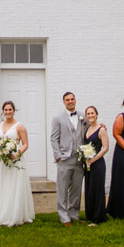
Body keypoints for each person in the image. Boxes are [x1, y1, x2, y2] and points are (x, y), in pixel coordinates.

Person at [0, 100, 34, 226]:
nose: (8, 112)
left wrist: (16, 154)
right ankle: (2, 213)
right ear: (3, 112)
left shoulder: (20, 126)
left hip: (15, 161)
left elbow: (25, 144)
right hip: (3, 162)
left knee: (14, 187)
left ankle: (14, 214)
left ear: (14, 111)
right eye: (6, 110)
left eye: (10, 109)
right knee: (3, 186)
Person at [49, 91, 86, 226]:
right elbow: (54, 138)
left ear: (75, 100)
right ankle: (64, 216)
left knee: (76, 188)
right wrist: (58, 156)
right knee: (63, 189)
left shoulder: (83, 116)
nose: (70, 102)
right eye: (67, 100)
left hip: (79, 158)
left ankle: (74, 214)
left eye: (72, 99)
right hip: (65, 158)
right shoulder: (58, 118)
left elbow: (90, 129)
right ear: (64, 102)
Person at [81, 105, 109, 225]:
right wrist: (87, 159)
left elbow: (105, 148)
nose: (90, 116)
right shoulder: (87, 128)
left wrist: (93, 160)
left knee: (97, 190)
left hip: (97, 164)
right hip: (88, 164)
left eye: (92, 113)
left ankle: (98, 218)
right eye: (88, 114)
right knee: (89, 189)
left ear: (97, 115)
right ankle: (90, 215)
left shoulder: (101, 129)